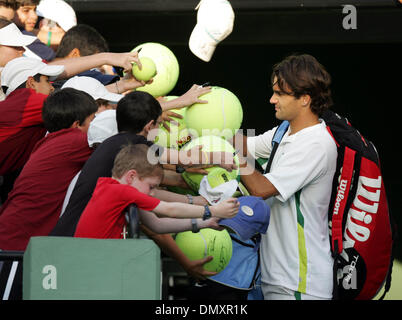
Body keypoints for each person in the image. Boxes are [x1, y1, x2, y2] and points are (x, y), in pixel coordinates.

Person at [50, 90, 236, 280]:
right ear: (149, 126)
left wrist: (204, 218)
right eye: (158, 125)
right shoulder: (133, 147)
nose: (153, 192)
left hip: (67, 246)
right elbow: (183, 160)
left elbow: (155, 223)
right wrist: (219, 158)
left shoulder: (117, 158)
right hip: (72, 247)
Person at [233, 54, 337, 300]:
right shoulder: (285, 131)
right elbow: (240, 143)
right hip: (278, 279)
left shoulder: (316, 144)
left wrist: (235, 156)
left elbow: (260, 188)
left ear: (304, 99)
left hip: (301, 284)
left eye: (280, 94)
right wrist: (184, 137)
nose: (272, 100)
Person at [0, 87, 98, 251]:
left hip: (15, 238)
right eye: (93, 120)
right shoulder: (75, 140)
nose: (96, 125)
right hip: (15, 245)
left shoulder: (53, 141)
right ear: (76, 125)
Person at [74, 143, 239, 239]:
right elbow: (169, 209)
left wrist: (206, 223)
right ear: (132, 176)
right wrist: (212, 210)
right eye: (151, 187)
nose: (153, 193)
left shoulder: (114, 190)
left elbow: (157, 224)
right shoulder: (120, 192)